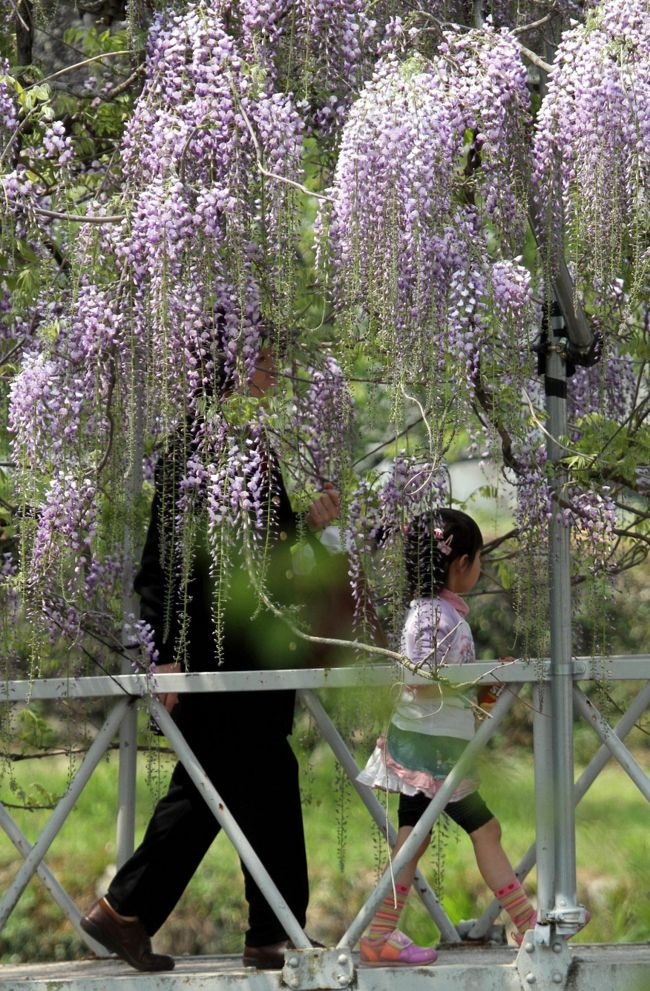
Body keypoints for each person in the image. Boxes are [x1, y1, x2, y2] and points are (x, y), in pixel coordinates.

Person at [80, 348, 340, 972]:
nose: (275, 373)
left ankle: (260, 932)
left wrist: (307, 527)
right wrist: (162, 657)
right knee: (216, 788)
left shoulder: (253, 448)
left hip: (249, 659)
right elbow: (159, 569)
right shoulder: (190, 452)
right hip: (209, 660)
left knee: (241, 785)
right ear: (230, 364)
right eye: (264, 360)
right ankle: (135, 913)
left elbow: (269, 565)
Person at [356, 508, 537, 966]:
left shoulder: (436, 611)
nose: (479, 569)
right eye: (478, 560)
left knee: (414, 839)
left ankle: (380, 934)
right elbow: (422, 681)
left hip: (431, 742)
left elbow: (438, 682)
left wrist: (485, 685)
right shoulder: (435, 616)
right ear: (460, 564)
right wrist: (484, 678)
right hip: (429, 747)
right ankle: (527, 926)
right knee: (478, 830)